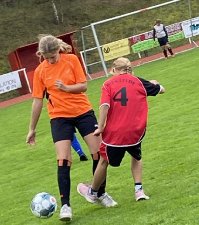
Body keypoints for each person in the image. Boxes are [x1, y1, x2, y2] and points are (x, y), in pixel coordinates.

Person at [26, 35, 115, 221]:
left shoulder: (71, 60)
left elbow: (83, 86)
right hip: (59, 117)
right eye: (47, 57)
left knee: (100, 153)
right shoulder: (40, 71)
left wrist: (66, 88)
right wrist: (32, 129)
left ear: (59, 49)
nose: (51, 60)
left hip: (83, 112)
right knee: (63, 159)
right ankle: (65, 206)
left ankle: (99, 193)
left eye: (54, 56)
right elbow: (37, 101)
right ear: (41, 55)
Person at [77, 57, 165, 205]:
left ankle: (92, 193)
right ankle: (139, 191)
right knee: (136, 157)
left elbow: (104, 105)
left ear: (114, 69)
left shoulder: (108, 84)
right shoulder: (139, 81)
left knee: (104, 161)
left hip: (115, 132)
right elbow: (162, 90)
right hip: (135, 131)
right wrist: (154, 84)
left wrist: (100, 126)